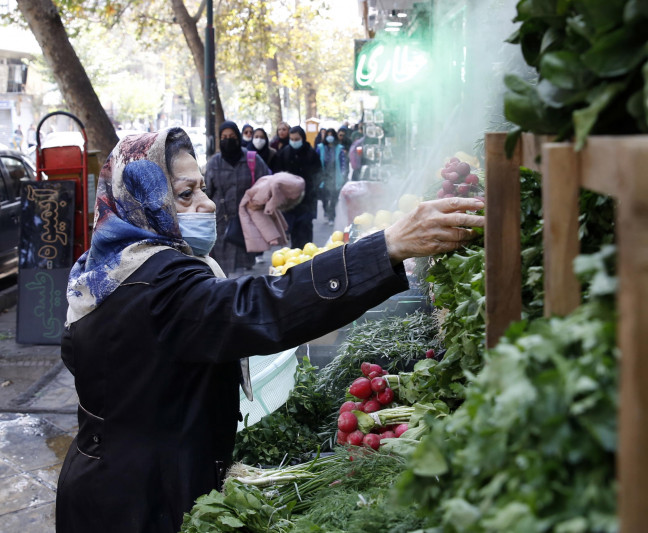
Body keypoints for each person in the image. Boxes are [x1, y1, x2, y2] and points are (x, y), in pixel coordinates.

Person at [54, 126, 484, 533]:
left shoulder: (106, 270)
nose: (207, 203)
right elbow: (264, 306)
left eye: (202, 187)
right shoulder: (156, 286)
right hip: (133, 505)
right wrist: (387, 246)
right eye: (185, 195)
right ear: (140, 202)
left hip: (122, 481)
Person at [205, 120, 270, 274]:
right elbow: (206, 193)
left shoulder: (252, 159)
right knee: (221, 270)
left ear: (238, 137)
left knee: (244, 271)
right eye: (224, 137)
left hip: (246, 223)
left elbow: (266, 184)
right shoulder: (214, 163)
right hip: (221, 224)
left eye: (232, 136)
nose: (228, 140)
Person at [271, 125, 321, 248]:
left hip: (307, 199)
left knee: (306, 230)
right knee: (293, 232)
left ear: (302, 138)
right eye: (291, 139)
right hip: (290, 201)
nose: (294, 142)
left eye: (296, 139)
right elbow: (278, 173)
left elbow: (318, 173)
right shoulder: (284, 153)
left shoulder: (311, 153)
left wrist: (313, 188)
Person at [316, 128, 348, 225]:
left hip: (335, 176)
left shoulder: (339, 148)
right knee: (324, 198)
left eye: (332, 135)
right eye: (328, 134)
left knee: (334, 197)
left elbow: (343, 163)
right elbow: (316, 162)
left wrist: (343, 175)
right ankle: (326, 212)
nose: (330, 137)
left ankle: (332, 216)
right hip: (323, 176)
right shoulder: (320, 147)